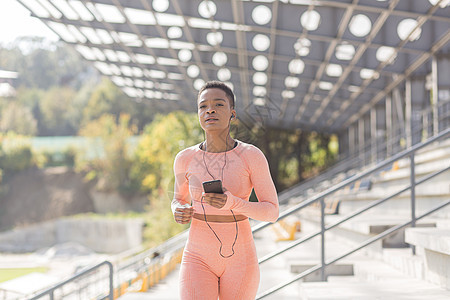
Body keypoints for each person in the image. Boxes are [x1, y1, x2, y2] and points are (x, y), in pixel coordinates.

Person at [171, 80, 279, 300]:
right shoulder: (184, 158)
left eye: (219, 104)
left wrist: (233, 203)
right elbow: (177, 199)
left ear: (233, 113)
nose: (210, 109)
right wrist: (178, 209)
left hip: (241, 259)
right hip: (197, 256)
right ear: (199, 114)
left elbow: (272, 212)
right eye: (203, 106)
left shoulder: (251, 156)